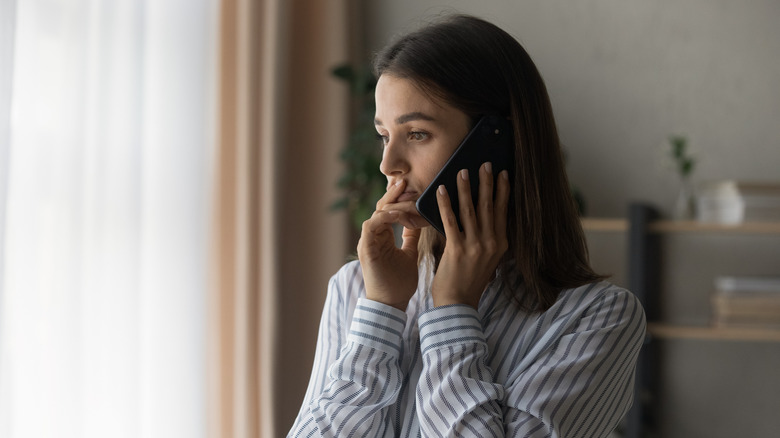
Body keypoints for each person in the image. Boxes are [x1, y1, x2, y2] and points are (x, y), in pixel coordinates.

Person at [289, 14, 645, 438]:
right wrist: (381, 313)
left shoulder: (597, 318)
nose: (388, 164)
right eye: (385, 135)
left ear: (495, 143)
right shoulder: (355, 289)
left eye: (417, 134)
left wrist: (453, 310)